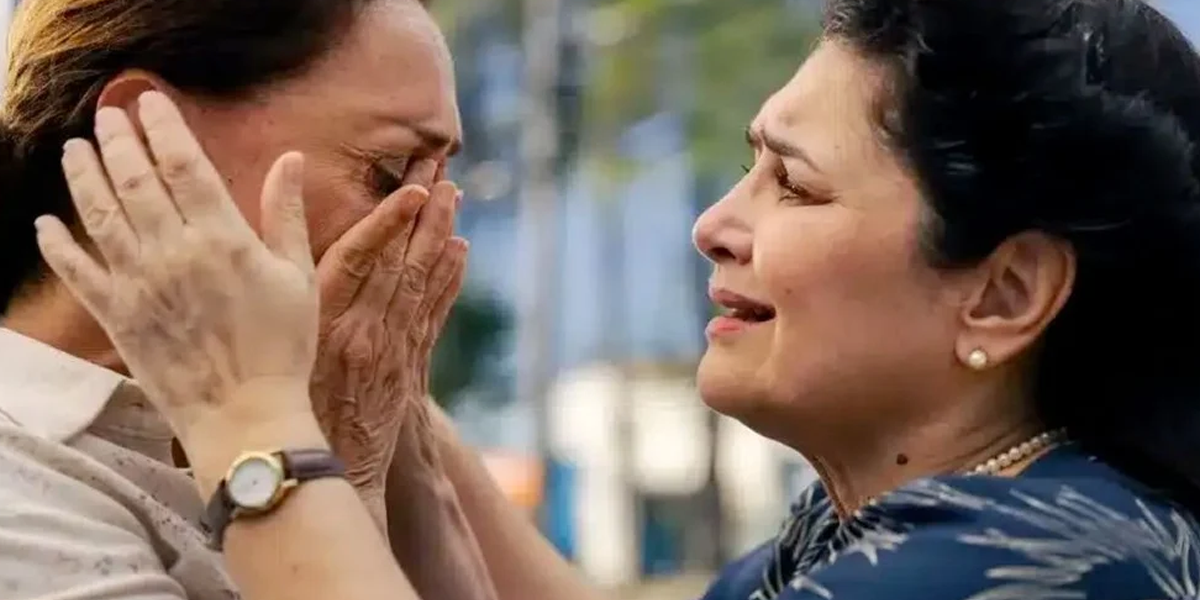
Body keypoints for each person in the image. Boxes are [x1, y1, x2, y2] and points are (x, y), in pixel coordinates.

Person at [381, 0, 1200, 598]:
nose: (714, 225)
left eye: (795, 187)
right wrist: (396, 400)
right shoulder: (857, 531)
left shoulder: (1024, 562)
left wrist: (279, 446)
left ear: (1005, 293)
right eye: (749, 170)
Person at [0, 0, 496, 599]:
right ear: (145, 136)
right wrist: (268, 436)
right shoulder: (23, 495)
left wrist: (383, 451)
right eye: (392, 172)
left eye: (443, 180)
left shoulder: (283, 421)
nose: (432, 231)